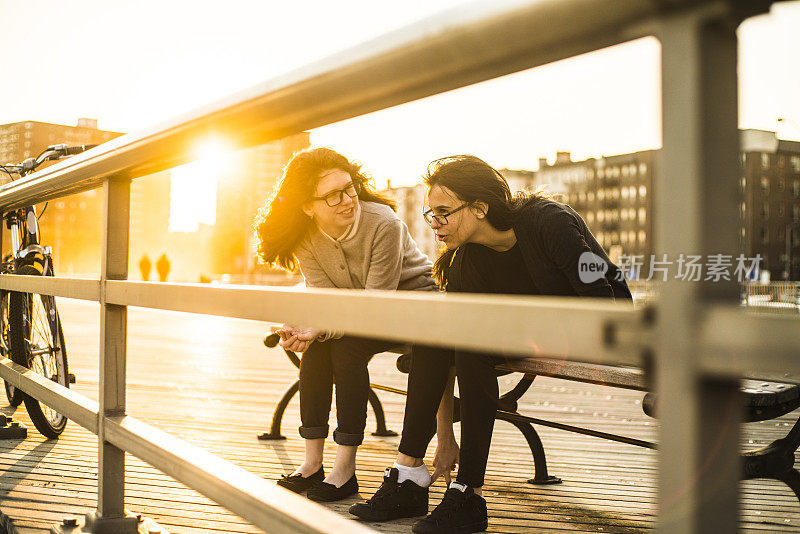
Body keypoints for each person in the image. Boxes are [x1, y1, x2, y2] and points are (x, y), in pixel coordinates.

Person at [350, 155, 631, 533]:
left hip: (598, 327)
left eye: (444, 212)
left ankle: (468, 491)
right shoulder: (464, 262)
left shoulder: (550, 222)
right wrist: (445, 436)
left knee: (472, 337)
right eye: (430, 214)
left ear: (480, 207)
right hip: (525, 333)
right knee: (438, 336)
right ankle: (409, 473)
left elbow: (601, 301)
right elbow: (448, 341)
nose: (435, 224)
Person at [254, 147, 441, 503]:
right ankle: (311, 464)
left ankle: (345, 469)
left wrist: (322, 327)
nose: (347, 200)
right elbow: (327, 302)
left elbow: (373, 306)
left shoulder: (383, 223)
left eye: (349, 187)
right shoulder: (305, 238)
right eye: (332, 195)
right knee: (319, 347)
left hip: (412, 309)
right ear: (307, 206)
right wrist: (306, 328)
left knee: (343, 345)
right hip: (362, 312)